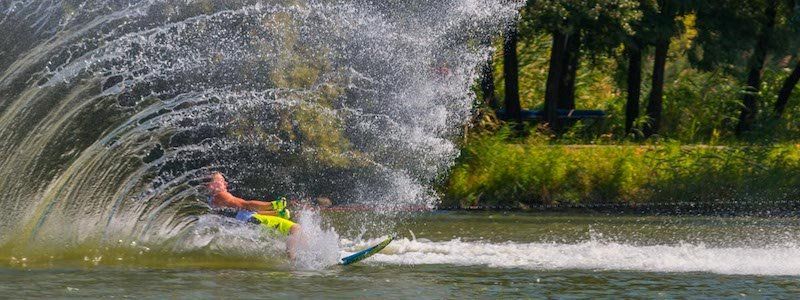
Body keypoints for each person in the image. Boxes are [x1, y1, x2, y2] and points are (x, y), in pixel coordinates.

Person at [206, 172, 301, 258]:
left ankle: (291, 258)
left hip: (249, 224)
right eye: (221, 180)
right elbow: (247, 205)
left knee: (288, 235)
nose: (225, 183)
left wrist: (276, 213)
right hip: (253, 222)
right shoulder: (221, 195)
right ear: (211, 185)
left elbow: (245, 213)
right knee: (295, 228)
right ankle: (293, 262)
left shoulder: (213, 201)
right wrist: (273, 205)